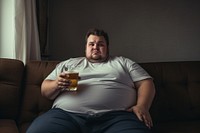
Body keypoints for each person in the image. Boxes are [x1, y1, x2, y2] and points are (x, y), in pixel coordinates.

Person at [27, 28, 156, 133]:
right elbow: (45, 90)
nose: (95, 47)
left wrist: (142, 106)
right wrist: (56, 84)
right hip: (66, 115)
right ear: (86, 47)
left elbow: (146, 82)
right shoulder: (69, 64)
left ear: (107, 47)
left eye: (100, 44)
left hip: (117, 118)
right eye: (91, 44)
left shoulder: (123, 62)